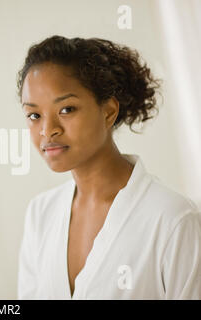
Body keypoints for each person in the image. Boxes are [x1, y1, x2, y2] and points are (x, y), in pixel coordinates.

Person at [16, 35, 201, 299]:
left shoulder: (173, 219)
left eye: (67, 109)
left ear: (108, 111)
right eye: (34, 115)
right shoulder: (40, 213)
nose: (48, 130)